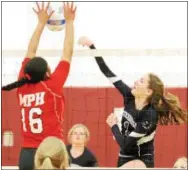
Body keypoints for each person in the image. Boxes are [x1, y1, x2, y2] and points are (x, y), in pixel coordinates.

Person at [78, 36, 187, 168]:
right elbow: (107, 72)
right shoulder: (129, 96)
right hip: (124, 156)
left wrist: (113, 125)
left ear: (149, 91)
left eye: (141, 81)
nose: (135, 81)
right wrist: (92, 46)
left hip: (142, 158)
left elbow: (125, 143)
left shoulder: (150, 115)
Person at [2, 2, 76, 170]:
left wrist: (41, 22)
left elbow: (31, 50)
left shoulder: (22, 85)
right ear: (47, 72)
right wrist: (70, 21)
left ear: (27, 71)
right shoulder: (53, 86)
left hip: (27, 156)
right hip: (53, 151)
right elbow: (68, 51)